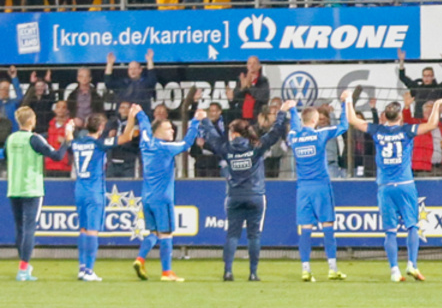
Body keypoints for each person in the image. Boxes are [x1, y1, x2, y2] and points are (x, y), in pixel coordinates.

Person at [341, 87, 442, 282]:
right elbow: (432, 124)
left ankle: (394, 271)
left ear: (385, 117)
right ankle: (412, 265)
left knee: (390, 231)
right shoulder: (407, 130)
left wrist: (348, 100)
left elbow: (353, 121)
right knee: (412, 226)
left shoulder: (378, 130)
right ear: (400, 117)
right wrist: (438, 105)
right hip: (405, 184)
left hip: (385, 186)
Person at [200, 100, 292, 282]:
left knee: (232, 234)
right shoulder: (256, 147)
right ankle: (253, 273)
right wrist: (281, 113)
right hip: (256, 195)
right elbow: (274, 134)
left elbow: (212, 138)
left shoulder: (227, 148)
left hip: (234, 196)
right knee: (254, 235)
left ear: (234, 134)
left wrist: (204, 120)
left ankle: (228, 272)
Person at [131, 103, 202, 281]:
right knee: (167, 233)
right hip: (162, 198)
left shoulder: (146, 140)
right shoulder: (164, 148)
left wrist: (139, 112)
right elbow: (186, 144)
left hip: (147, 197)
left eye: (172, 128)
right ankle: (167, 272)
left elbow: (145, 125)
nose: (171, 131)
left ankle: (140, 259)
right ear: (158, 132)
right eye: (168, 129)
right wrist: (195, 121)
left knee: (153, 233)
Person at [5, 99, 68, 281]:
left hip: (14, 188)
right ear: (32, 121)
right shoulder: (35, 139)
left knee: (20, 229)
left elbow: (4, 155)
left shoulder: (11, 139)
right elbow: (57, 156)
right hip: (31, 189)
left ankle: (24, 265)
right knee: (29, 229)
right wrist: (67, 142)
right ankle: (23, 269)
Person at [287, 99, 349, 281]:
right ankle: (332, 268)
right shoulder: (320, 135)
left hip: (303, 189)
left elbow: (293, 125)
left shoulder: (294, 137)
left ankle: (305, 270)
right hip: (321, 187)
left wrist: (291, 109)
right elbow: (344, 126)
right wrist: (345, 104)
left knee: (306, 229)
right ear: (314, 120)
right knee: (327, 226)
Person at [65, 113, 117, 281]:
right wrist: (131, 120)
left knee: (83, 229)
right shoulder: (99, 144)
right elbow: (126, 138)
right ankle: (89, 271)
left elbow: (68, 142)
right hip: (94, 191)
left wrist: (68, 130)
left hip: (79, 189)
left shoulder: (77, 143)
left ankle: (82, 268)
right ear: (101, 127)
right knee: (93, 230)